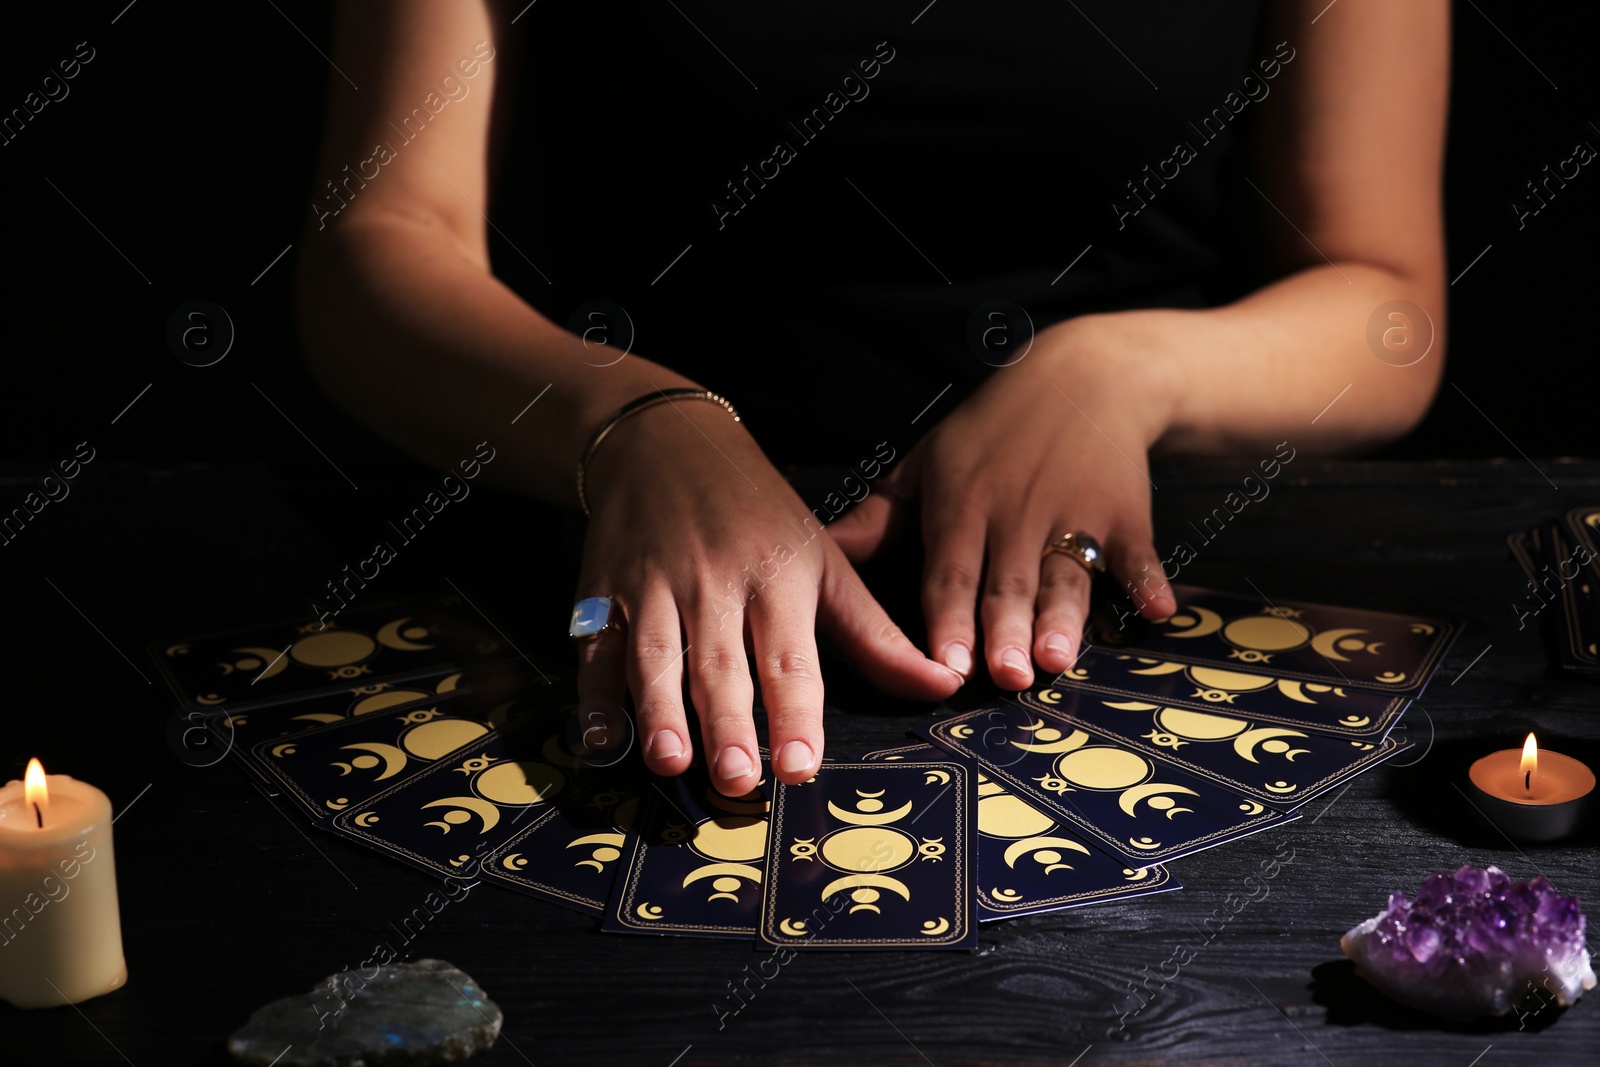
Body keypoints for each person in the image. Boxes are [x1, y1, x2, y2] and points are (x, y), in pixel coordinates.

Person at [296, 0, 1449, 796]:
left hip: (1110, 583)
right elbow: (380, 246)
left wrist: (1119, 373)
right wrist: (630, 422)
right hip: (612, 547)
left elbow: (1386, 307)